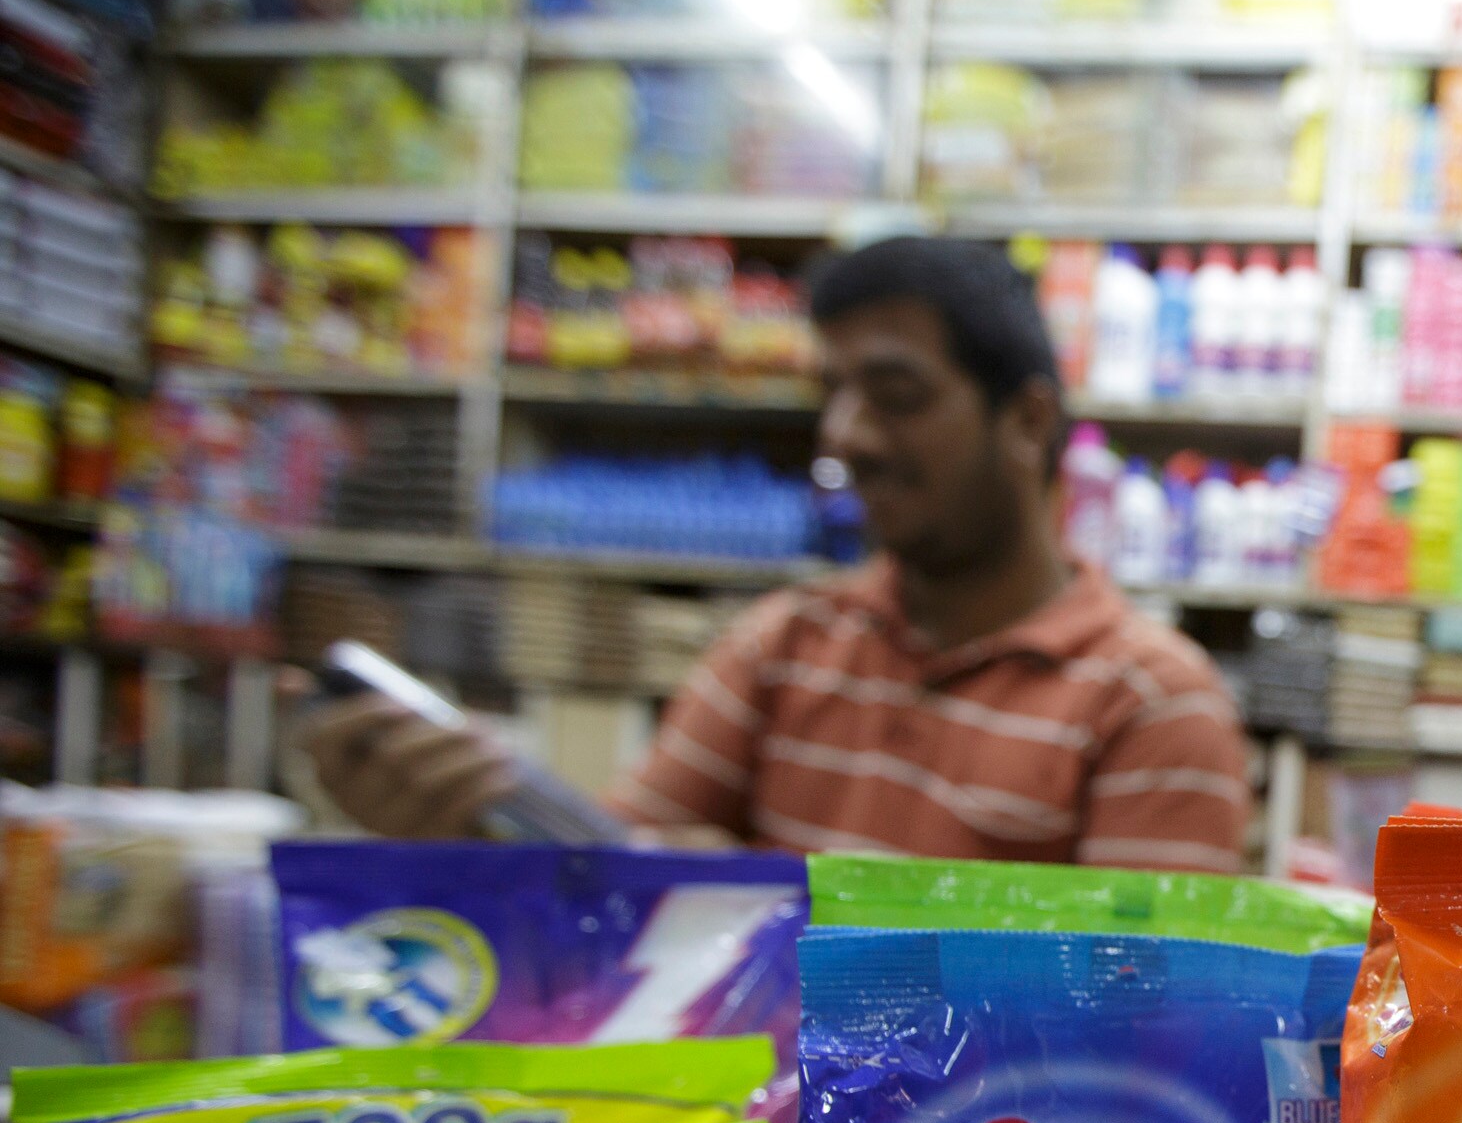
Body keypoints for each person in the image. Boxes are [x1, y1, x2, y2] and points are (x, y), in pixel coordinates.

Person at [298, 236, 1252, 871]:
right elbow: (621, 883)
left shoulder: (1152, 703)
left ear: (1029, 419)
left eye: (897, 394)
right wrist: (465, 828)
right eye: (832, 393)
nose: (849, 437)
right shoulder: (786, 644)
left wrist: (759, 908)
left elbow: (1144, 1045)